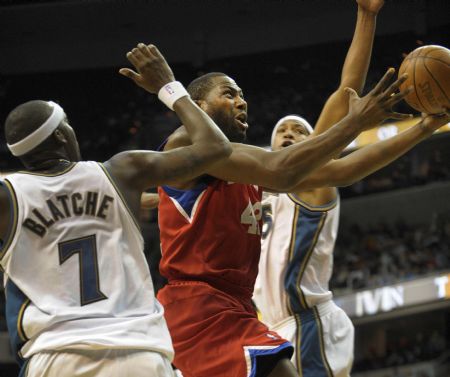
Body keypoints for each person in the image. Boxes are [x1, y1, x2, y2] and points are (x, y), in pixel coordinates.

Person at [152, 31, 414, 377]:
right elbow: (280, 167)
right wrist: (357, 122)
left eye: (299, 132)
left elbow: (345, 160)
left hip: (259, 312)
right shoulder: (211, 155)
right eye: (230, 94)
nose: (242, 102)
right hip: (207, 307)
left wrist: (426, 124)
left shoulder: (265, 177)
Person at [0, 43, 231, 377]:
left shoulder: (8, 198)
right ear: (64, 135)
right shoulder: (121, 172)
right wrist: (168, 85)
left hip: (56, 357)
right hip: (137, 352)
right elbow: (217, 146)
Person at [253, 1, 383, 375]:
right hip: (266, 329)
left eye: (301, 131)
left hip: (306, 322)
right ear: (270, 145)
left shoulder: (310, 181)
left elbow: (346, 92)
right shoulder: (251, 190)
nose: (290, 133)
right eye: (283, 130)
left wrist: (366, 16)